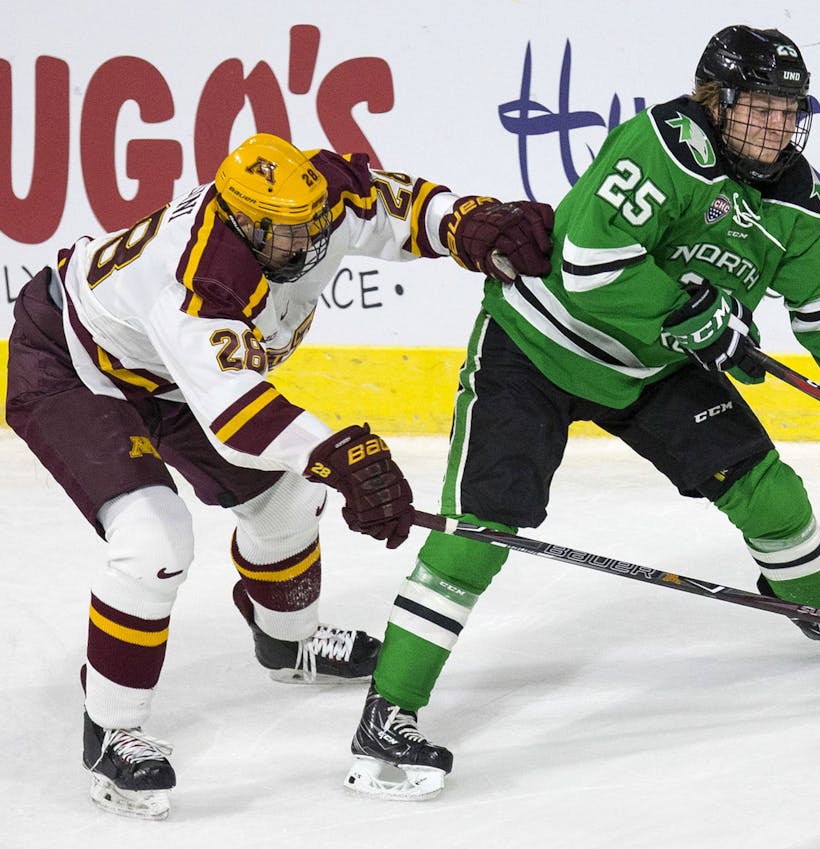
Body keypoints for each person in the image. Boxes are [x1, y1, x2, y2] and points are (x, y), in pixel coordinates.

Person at [341, 25, 820, 801]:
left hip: (652, 367)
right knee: (479, 533)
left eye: (787, 110)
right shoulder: (661, 145)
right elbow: (591, 265)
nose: (774, 127)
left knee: (773, 492)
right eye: (757, 107)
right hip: (537, 345)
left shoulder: (798, 201)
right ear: (716, 102)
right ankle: (388, 712)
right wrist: (688, 312)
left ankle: (817, 608)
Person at [3, 132, 554, 819]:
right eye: (285, 235)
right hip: (70, 365)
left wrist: (469, 222)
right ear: (242, 222)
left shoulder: (317, 201)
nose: (306, 244)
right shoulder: (201, 274)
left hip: (170, 376)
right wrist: (347, 453)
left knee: (288, 495)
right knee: (154, 539)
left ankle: (287, 643)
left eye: (310, 226)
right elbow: (236, 411)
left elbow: (399, 207)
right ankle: (113, 729)